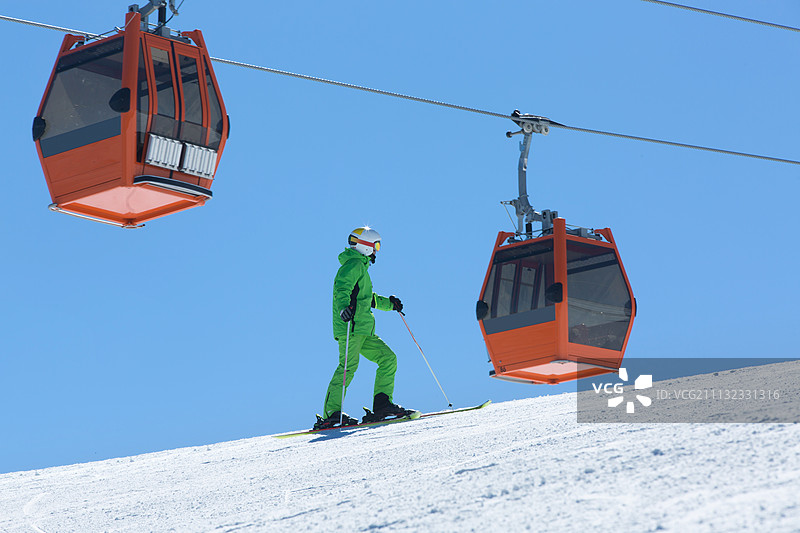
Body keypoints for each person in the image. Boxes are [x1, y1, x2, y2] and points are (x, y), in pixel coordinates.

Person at [314, 226, 415, 429]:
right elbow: (341, 289)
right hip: (351, 327)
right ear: (366, 246)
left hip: (364, 330)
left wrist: (390, 304)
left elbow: (368, 299)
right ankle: (331, 414)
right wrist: (344, 309)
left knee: (388, 358)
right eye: (376, 245)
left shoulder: (361, 269)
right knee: (347, 368)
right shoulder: (353, 266)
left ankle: (382, 405)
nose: (377, 250)